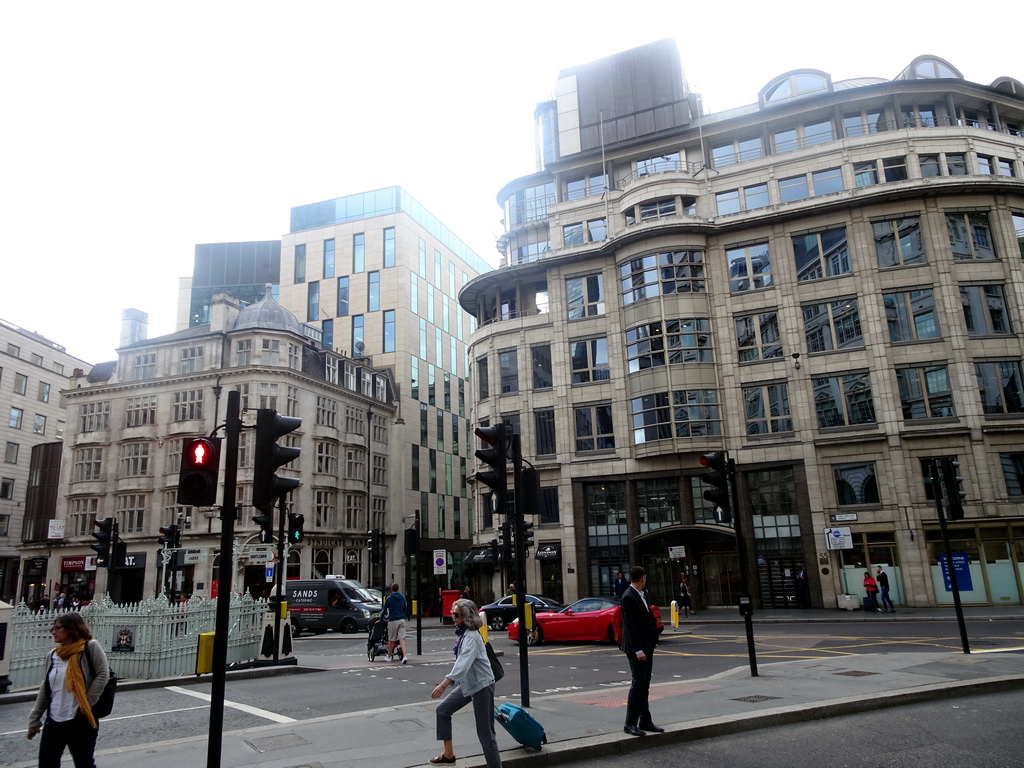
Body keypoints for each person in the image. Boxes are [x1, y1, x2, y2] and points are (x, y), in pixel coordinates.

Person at [27, 612, 110, 768]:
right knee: (46, 764)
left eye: (58, 628)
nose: (53, 632)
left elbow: (103, 674)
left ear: (71, 629)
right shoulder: (52, 655)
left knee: (84, 763)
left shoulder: (90, 647)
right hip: (54, 720)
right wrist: (35, 718)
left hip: (80, 719)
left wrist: (86, 703)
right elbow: (46, 688)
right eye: (53, 628)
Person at [428, 598, 501, 766]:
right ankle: (448, 754)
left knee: (486, 735)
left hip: (482, 686)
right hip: (469, 684)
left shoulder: (472, 638)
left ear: (466, 616)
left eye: (456, 614)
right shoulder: (464, 634)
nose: (452, 617)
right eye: (452, 613)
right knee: (443, 710)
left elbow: (462, 665)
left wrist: (443, 684)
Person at [620, 566, 663, 737]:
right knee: (638, 684)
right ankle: (629, 723)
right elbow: (630, 627)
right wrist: (638, 649)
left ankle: (645, 720)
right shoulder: (629, 597)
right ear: (643, 578)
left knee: (644, 684)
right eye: (645, 578)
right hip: (637, 649)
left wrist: (652, 640)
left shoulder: (641, 594)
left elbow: (645, 622)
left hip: (647, 646)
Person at [381, 583, 410, 664]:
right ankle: (404, 656)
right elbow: (405, 607)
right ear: (398, 589)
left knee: (391, 639)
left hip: (393, 620)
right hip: (401, 619)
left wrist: (381, 617)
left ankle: (389, 657)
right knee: (402, 638)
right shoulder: (403, 597)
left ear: (391, 589)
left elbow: (384, 609)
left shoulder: (389, 598)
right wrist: (404, 615)